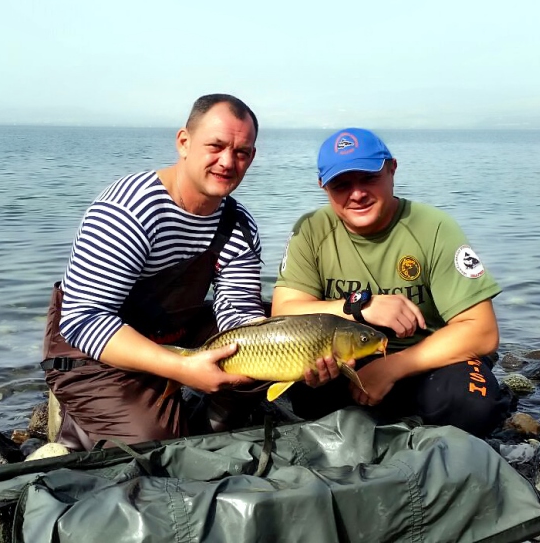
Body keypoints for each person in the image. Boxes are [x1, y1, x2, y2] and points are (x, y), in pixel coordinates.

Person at [41, 94, 267, 450]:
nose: (227, 161)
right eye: (216, 146)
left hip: (171, 333)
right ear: (184, 142)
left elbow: (238, 310)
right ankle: (80, 425)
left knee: (268, 357)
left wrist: (298, 358)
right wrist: (181, 369)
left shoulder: (237, 223)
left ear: (251, 157)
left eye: (241, 152)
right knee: (156, 445)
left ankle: (203, 429)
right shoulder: (128, 210)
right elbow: (83, 319)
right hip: (93, 350)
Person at [271, 128, 510, 437]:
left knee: (475, 406)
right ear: (323, 186)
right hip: (348, 365)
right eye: (342, 184)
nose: (356, 194)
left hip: (426, 362)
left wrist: (390, 368)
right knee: (304, 392)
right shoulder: (311, 230)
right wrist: (360, 308)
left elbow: (482, 331)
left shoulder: (435, 227)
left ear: (391, 169)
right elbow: (284, 312)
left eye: (368, 178)